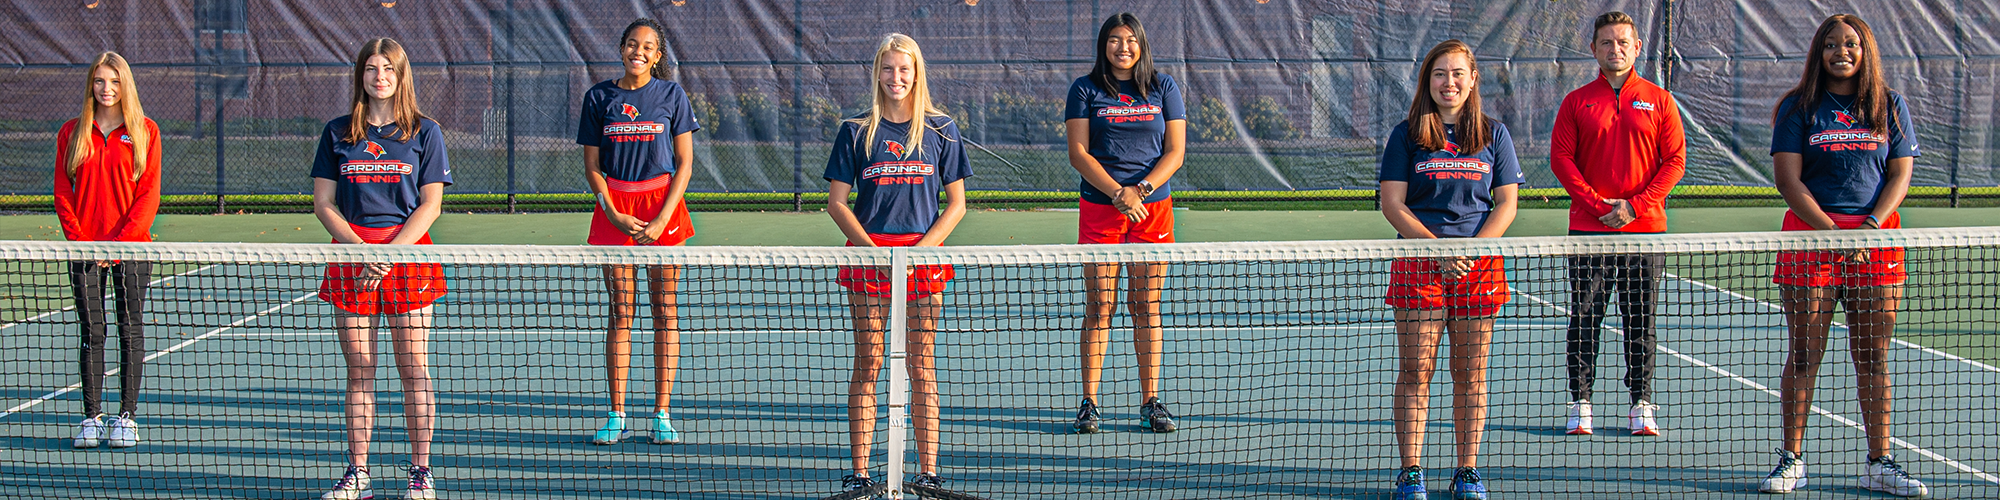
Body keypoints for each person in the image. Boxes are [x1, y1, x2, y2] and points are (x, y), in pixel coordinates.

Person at [1758, 14, 1926, 497]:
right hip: (1812, 242)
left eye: (1850, 43)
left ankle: (1880, 462)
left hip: (1877, 244)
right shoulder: (1798, 107)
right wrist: (1831, 232)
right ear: (1819, 53)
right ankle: (1791, 460)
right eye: (1830, 44)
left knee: (1873, 356)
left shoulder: (1889, 106)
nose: (1841, 51)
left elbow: (1900, 175)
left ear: (1865, 50)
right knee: (1806, 353)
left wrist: (1870, 228)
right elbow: (1788, 181)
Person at [825, 33, 971, 495]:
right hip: (869, 258)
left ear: (916, 72)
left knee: (921, 366)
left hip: (924, 260)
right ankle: (861, 473)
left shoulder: (942, 130)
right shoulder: (855, 130)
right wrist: (877, 253)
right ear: (877, 73)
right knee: (868, 364)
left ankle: (927, 473)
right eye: (887, 69)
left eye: (904, 69)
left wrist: (920, 252)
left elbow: (957, 205)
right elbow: (837, 204)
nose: (896, 78)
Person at [1379, 39, 1523, 500]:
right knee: (1416, 370)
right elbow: (1392, 204)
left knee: (1470, 374)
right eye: (1440, 73)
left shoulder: (1494, 134)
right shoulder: (1406, 135)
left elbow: (1506, 205)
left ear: (1473, 79)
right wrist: (1436, 249)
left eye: (1458, 73)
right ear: (1428, 80)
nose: (1449, 82)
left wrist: (1473, 252)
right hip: (1418, 265)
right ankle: (1411, 473)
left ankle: (1466, 472)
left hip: (1480, 269)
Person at [311, 38, 451, 500]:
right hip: (351, 259)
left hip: (409, 258)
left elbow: (430, 206)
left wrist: (390, 254)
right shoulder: (337, 132)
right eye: (371, 68)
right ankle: (358, 474)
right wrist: (358, 249)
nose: (379, 76)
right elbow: (324, 203)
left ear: (401, 75)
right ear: (361, 76)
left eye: (388, 68)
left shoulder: (425, 132)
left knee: (414, 368)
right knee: (361, 371)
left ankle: (420, 473)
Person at [1548, 10, 1686, 437]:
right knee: (1585, 317)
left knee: (1640, 320)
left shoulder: (1660, 100)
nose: (1615, 49)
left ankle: (1641, 404)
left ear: (1637, 47)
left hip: (1644, 232)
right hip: (1589, 233)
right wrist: (1596, 205)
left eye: (1623, 41)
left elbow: (1675, 161)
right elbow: (1562, 161)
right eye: (1607, 42)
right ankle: (1581, 403)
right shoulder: (1576, 101)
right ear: (1593, 49)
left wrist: (1634, 206)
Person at [578, 17, 700, 447]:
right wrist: (611, 211)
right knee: (621, 313)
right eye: (632, 43)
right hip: (616, 211)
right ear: (621, 48)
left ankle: (662, 413)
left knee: (665, 311)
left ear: (658, 56)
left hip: (664, 208)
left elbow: (684, 162)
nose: (639, 51)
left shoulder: (671, 94)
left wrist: (665, 216)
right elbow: (593, 166)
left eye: (648, 46)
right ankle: (616, 414)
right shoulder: (599, 97)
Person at [1063, 12, 1187, 434]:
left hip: (1153, 210)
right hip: (1101, 208)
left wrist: (1141, 191)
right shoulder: (1085, 89)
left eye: (1130, 39)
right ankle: (1089, 403)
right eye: (1114, 39)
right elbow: (1079, 153)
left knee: (1145, 306)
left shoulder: (1163, 87)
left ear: (1142, 44)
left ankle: (1151, 400)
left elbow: (1175, 152)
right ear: (1104, 46)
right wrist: (1118, 193)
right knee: (1100, 306)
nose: (1123, 47)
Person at [54, 51, 161, 450]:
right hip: (84, 251)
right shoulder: (72, 132)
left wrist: (117, 245)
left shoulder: (146, 130)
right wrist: (84, 243)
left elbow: (148, 195)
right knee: (92, 332)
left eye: (114, 82)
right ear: (91, 85)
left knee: (130, 330)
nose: (107, 89)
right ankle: (91, 418)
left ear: (125, 85)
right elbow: (63, 192)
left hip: (132, 251)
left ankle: (127, 417)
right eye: (100, 81)